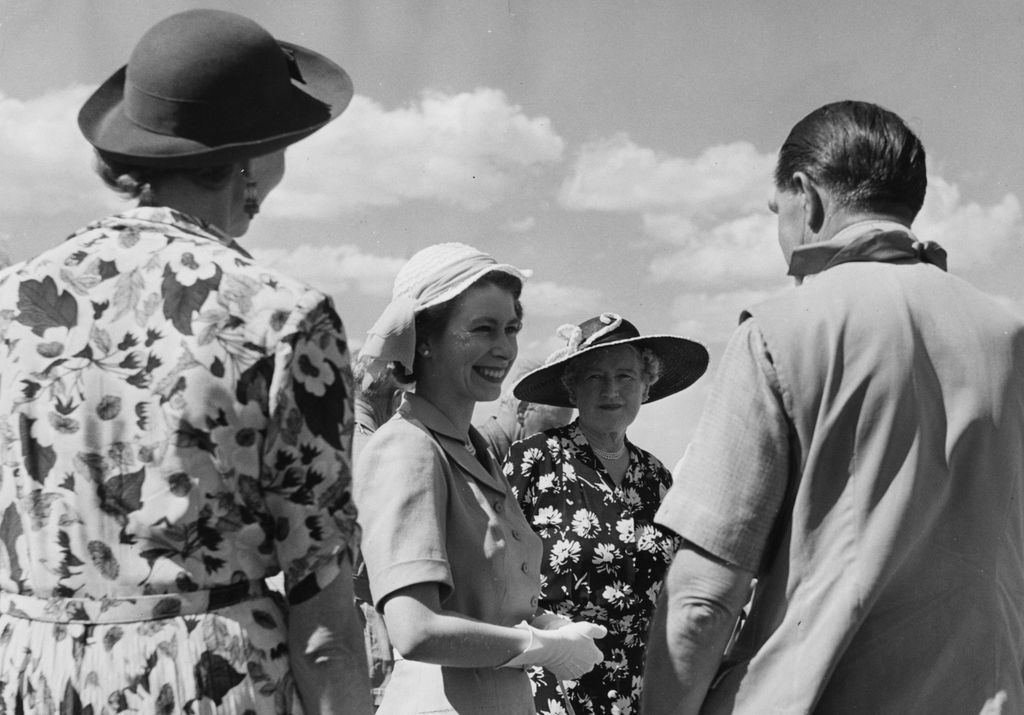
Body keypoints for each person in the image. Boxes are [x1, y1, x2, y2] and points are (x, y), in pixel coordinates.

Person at [0, 10, 372, 714]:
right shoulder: (282, 318)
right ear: (249, 162)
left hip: (36, 672)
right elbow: (324, 623)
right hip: (204, 680)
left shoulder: (12, 301)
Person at [643, 100, 1024, 715]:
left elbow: (701, 604)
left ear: (805, 196)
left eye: (777, 212)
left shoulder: (781, 331)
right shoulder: (1010, 338)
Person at [354, 242, 607, 714]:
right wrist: (537, 645)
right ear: (423, 340)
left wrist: (544, 625)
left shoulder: (473, 450)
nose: (504, 348)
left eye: (511, 329)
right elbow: (415, 628)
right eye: (482, 330)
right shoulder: (409, 447)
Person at [506, 313, 708, 714]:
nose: (611, 390)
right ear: (572, 387)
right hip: (554, 683)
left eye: (625, 377)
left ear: (646, 387)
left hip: (640, 687)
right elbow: (492, 571)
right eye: (595, 377)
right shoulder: (534, 460)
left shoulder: (655, 476)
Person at [476, 356, 575, 464]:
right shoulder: (476, 457)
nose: (557, 442)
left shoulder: (514, 461)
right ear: (522, 411)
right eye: (552, 428)